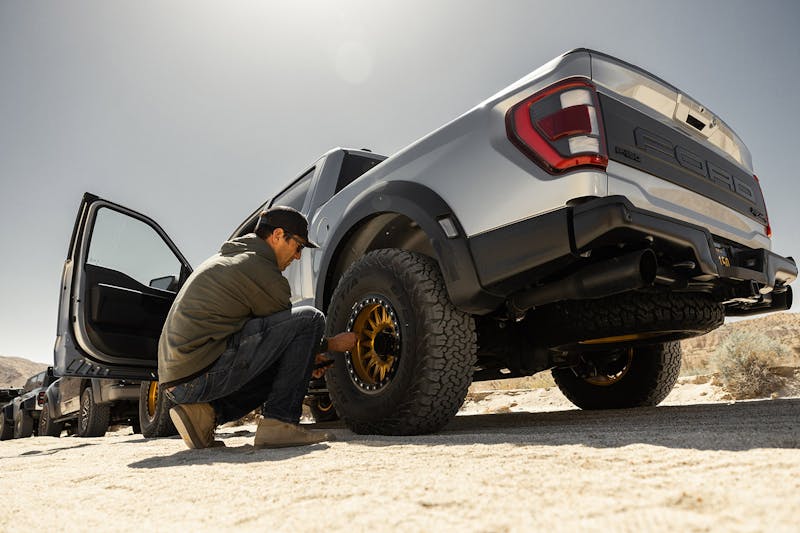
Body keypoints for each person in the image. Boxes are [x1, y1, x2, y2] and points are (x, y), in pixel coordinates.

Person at [157, 206, 356, 450]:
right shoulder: (262, 269)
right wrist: (332, 344)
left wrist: (305, 358)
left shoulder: (234, 257)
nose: (298, 257)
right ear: (278, 235)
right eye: (299, 246)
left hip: (177, 381)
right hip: (197, 374)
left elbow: (274, 341)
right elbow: (295, 334)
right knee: (310, 320)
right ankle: (279, 424)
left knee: (278, 362)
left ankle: (204, 416)